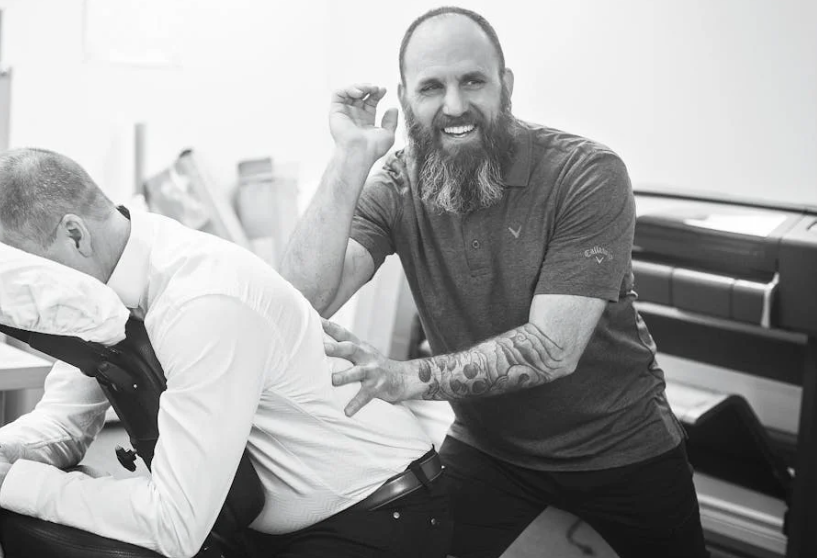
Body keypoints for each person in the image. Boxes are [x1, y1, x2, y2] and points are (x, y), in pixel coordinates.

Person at [280, 6, 709, 558]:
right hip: (491, 448)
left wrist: (404, 377)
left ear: (505, 84)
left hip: (620, 444)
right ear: (404, 98)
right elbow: (301, 300)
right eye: (431, 87)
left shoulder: (586, 173)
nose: (455, 105)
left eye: (472, 81)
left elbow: (552, 349)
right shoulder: (396, 185)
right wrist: (349, 158)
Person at [0, 148, 451, 558]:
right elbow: (63, 423)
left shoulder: (202, 300)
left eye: (16, 271)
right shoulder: (97, 292)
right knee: (24, 512)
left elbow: (174, 523)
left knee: (31, 501)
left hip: (380, 517)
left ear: (74, 234)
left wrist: (9, 483)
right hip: (254, 519)